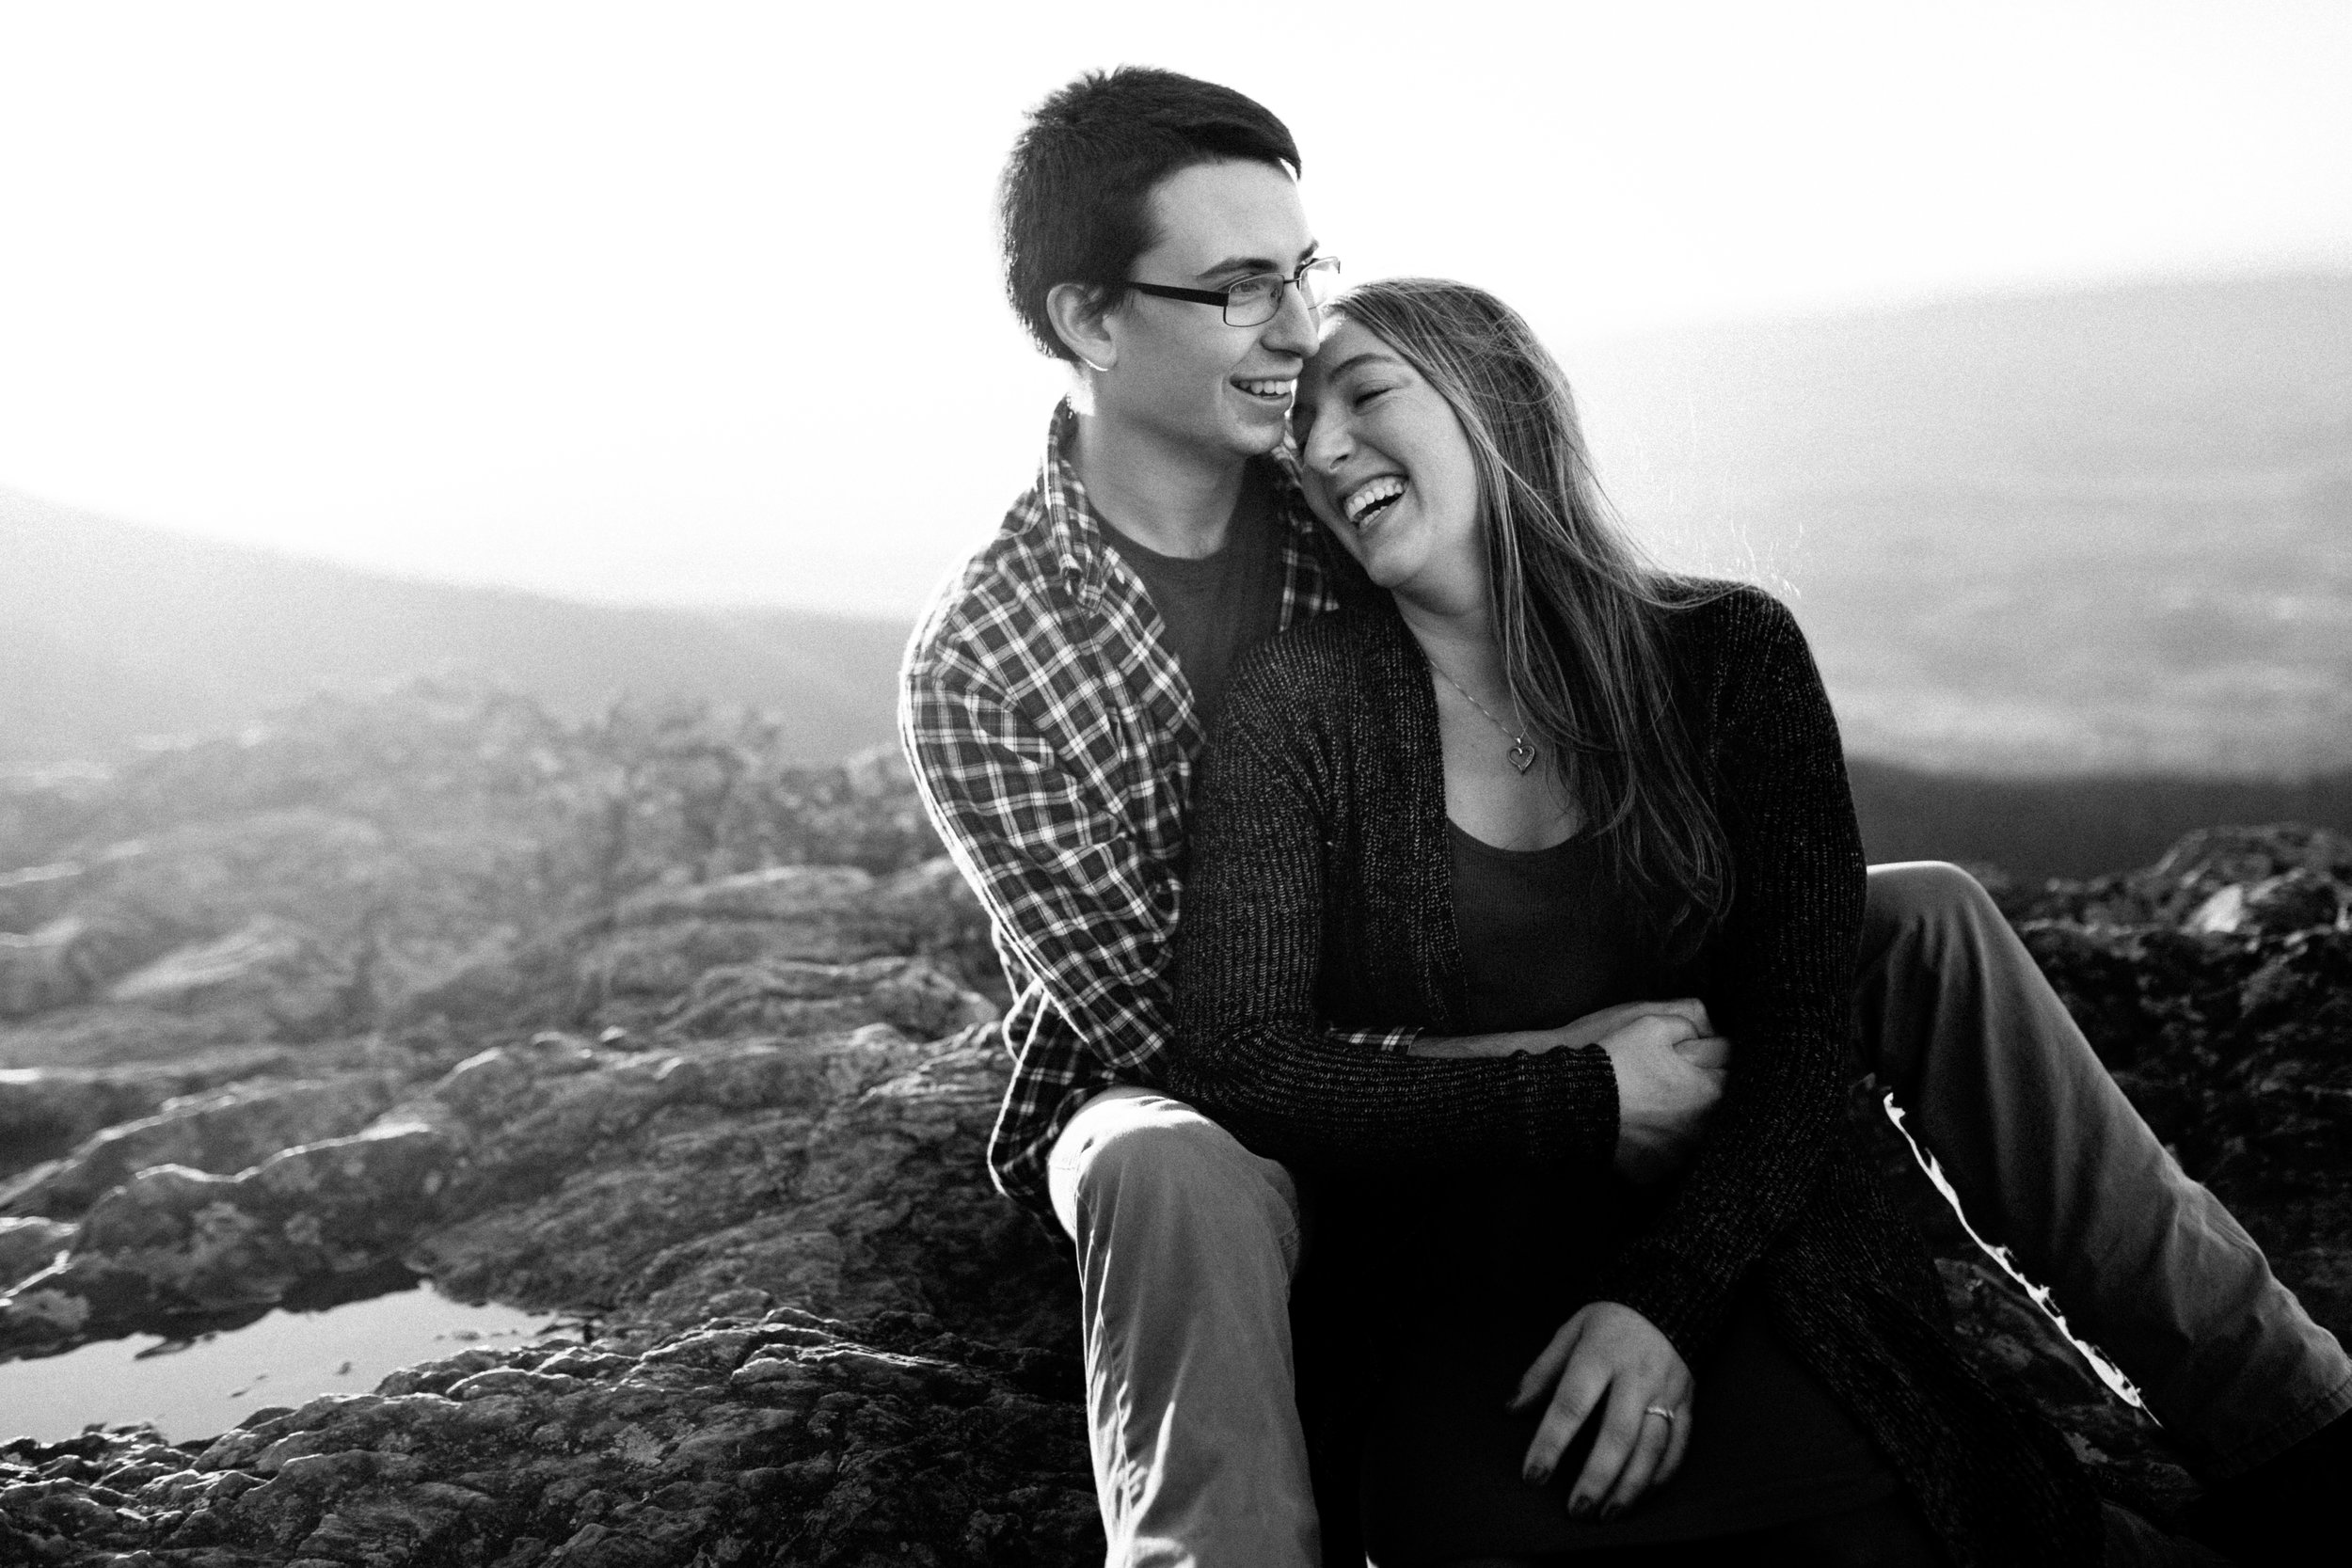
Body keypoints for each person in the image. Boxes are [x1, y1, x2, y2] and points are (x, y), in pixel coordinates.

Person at [898, 66, 2350, 1568]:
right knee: (1168, 1163)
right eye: (1241, 287)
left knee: (1917, 917)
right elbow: (1192, 1042)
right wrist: (1571, 1073)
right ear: (1089, 320)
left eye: (1303, 273)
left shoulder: (1326, 485)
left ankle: (2287, 1423)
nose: (1294, 333)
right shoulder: (990, 657)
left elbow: (1545, 650)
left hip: (1483, 988)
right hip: (1217, 1101)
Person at [1168, 275, 2106, 1564]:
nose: (1322, 448)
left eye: (1368, 393)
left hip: (1745, 1288)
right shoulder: (1297, 704)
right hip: (1457, 1330)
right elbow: (1243, 1059)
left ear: (1497, 404)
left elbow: (1798, 1043)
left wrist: (1665, 1306)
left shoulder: (1730, 656)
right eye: (1299, 429)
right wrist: (1580, 1095)